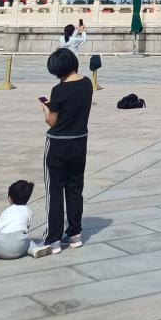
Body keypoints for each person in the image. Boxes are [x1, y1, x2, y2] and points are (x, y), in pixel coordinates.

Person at [39, 47, 93, 251]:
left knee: (54, 191)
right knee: (75, 188)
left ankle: (53, 238)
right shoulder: (87, 84)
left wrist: (45, 108)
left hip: (58, 144)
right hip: (79, 142)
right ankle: (74, 233)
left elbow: (52, 121)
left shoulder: (58, 90)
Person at [0, 180, 52, 262]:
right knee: (29, 242)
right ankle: (35, 250)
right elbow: (26, 229)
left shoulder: (5, 212)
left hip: (1, 248)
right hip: (19, 247)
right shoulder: (28, 211)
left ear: (9, 198)